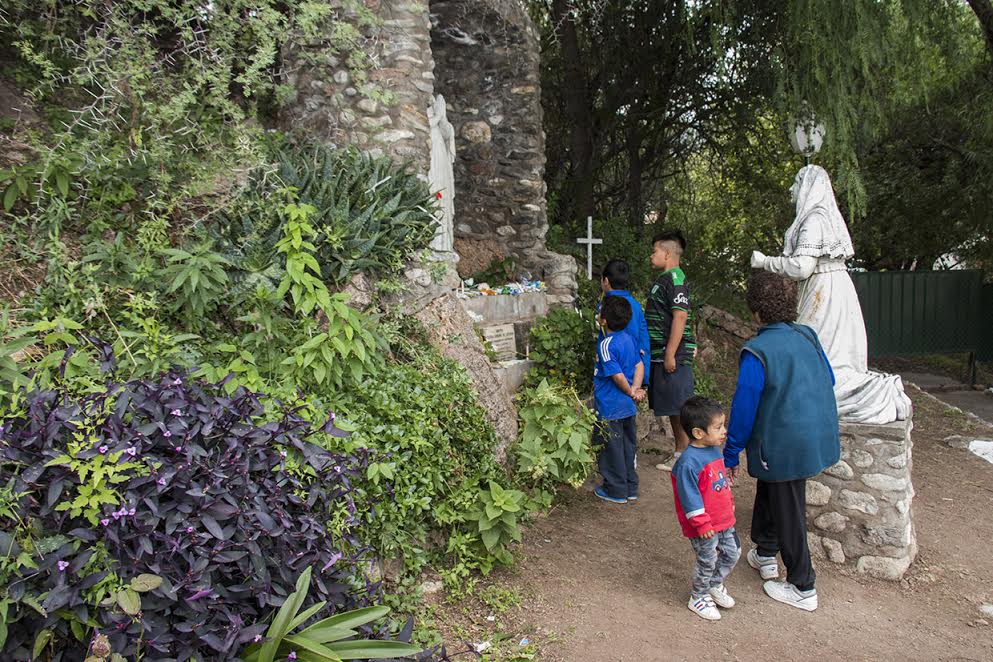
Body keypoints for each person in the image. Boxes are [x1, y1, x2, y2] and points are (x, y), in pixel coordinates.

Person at [750, 164, 910, 424]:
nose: (792, 189)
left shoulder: (814, 220)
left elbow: (802, 267)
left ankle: (821, 394)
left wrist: (765, 261)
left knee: (816, 347)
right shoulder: (820, 218)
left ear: (808, 188)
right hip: (829, 287)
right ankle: (818, 390)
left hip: (822, 291)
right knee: (826, 348)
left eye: (796, 183)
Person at [724, 271, 840, 612]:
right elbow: (829, 378)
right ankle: (764, 552)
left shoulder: (757, 350)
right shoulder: (808, 336)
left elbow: (744, 407)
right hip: (816, 434)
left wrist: (731, 452)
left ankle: (803, 585)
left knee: (788, 506)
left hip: (784, 442)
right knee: (771, 485)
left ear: (755, 309)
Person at [671, 396, 740, 621]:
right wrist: (701, 523)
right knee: (707, 559)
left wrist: (728, 503)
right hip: (705, 526)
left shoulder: (714, 451)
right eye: (718, 427)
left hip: (723, 520)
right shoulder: (688, 463)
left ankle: (713, 584)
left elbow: (718, 484)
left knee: (732, 553)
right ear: (699, 433)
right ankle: (698, 596)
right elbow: (689, 498)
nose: (724, 431)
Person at [645, 230, 697, 472]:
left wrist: (670, 353)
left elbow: (680, 315)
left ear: (667, 254)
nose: (651, 255)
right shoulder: (665, 280)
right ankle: (680, 453)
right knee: (673, 407)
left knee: (679, 406)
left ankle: (685, 456)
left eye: (654, 251)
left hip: (672, 355)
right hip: (661, 354)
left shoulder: (675, 279)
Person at [593, 295, 646, 504]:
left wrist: (630, 391)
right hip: (628, 408)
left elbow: (616, 376)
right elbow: (638, 365)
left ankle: (615, 490)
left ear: (603, 320)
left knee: (610, 448)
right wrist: (636, 389)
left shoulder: (606, 345)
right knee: (627, 446)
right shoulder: (630, 340)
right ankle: (630, 486)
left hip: (610, 407)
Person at [597, 259, 651, 379]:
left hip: (614, 372)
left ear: (605, 281)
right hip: (635, 372)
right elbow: (643, 339)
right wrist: (644, 378)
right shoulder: (635, 305)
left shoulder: (606, 305)